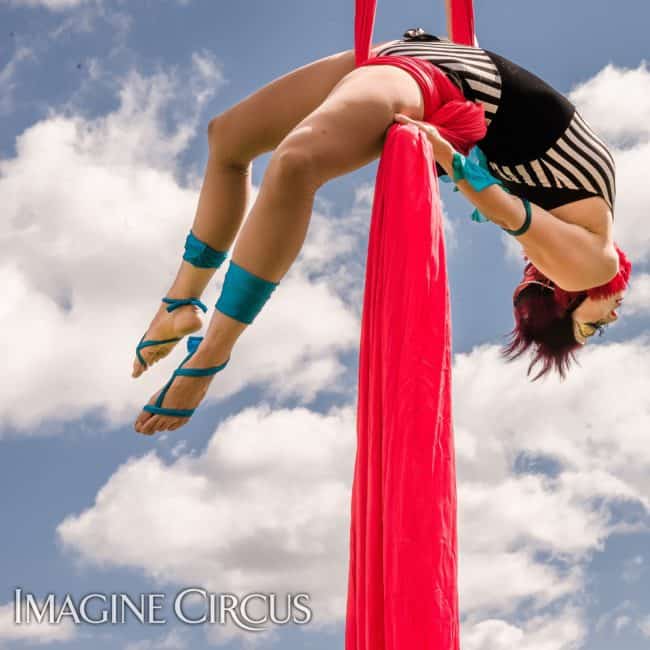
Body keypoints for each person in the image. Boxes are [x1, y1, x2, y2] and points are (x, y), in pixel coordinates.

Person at [132, 27, 630, 435]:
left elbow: (503, 208)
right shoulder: (589, 213)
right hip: (410, 51)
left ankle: (213, 351)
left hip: (435, 80)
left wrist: (452, 163)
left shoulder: (590, 262)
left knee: (295, 162)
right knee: (227, 139)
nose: (612, 316)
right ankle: (179, 302)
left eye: (593, 327)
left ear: (562, 297)